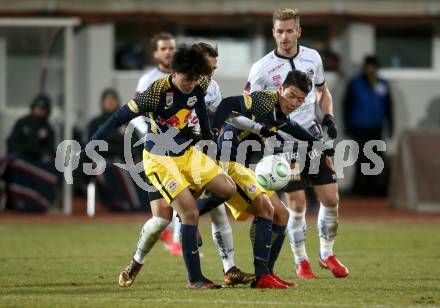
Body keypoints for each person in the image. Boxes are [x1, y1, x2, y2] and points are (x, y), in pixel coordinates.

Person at [88, 44, 236, 289]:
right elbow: (118, 117)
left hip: (186, 152)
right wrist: (92, 143)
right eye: (186, 79)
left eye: (194, 79)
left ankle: (186, 213)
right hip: (159, 158)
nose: (191, 84)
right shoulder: (155, 93)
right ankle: (193, 278)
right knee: (167, 219)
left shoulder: (198, 86)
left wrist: (209, 140)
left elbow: (200, 114)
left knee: (227, 190)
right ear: (174, 71)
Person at [119, 42, 255, 288]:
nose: (210, 73)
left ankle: (229, 268)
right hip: (161, 155)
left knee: (217, 207)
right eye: (206, 68)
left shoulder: (209, 87)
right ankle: (137, 261)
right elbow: (138, 113)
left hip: (192, 154)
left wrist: (252, 126)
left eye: (214, 68)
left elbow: (221, 115)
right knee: (161, 220)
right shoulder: (160, 84)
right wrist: (153, 137)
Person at [245, 8, 349, 279]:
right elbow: (250, 104)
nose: (285, 36)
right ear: (273, 32)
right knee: (298, 204)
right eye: (280, 31)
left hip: (314, 139)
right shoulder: (262, 67)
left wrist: (328, 116)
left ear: (299, 31)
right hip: (283, 143)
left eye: (290, 30)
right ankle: (300, 260)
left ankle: (327, 253)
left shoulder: (312, 57)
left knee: (331, 198)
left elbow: (322, 91)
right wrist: (265, 128)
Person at [207, 69, 327, 288]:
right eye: (291, 95)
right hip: (227, 162)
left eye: (300, 99)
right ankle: (261, 276)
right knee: (267, 210)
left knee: (282, 214)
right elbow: (226, 104)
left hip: (242, 166)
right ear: (280, 89)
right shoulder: (263, 100)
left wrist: (321, 147)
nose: (294, 102)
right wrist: (213, 130)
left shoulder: (280, 115)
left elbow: (293, 128)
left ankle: (267, 273)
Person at [132, 32, 183, 254]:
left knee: (183, 193)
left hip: (182, 144)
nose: (168, 52)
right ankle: (170, 237)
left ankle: (178, 242)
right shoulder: (147, 80)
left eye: (171, 48)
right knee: (164, 203)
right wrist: (151, 134)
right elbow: (134, 114)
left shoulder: (185, 76)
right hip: (156, 147)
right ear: (155, 54)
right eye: (163, 48)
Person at [343, 55, 393, 196]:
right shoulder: (355, 84)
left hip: (377, 127)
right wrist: (347, 126)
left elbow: (389, 107)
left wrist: (390, 127)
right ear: (364, 68)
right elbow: (346, 106)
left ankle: (375, 188)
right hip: (359, 127)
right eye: (368, 67)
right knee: (361, 158)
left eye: (373, 67)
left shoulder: (383, 84)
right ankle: (360, 188)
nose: (370, 69)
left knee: (376, 158)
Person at [7, 94, 55, 161]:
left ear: (47, 111)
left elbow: (50, 150)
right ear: (33, 107)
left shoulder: (48, 128)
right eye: (37, 107)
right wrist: (25, 149)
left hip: (37, 163)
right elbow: (11, 142)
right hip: (20, 160)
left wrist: (38, 151)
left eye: (42, 108)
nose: (39, 110)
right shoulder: (22, 122)